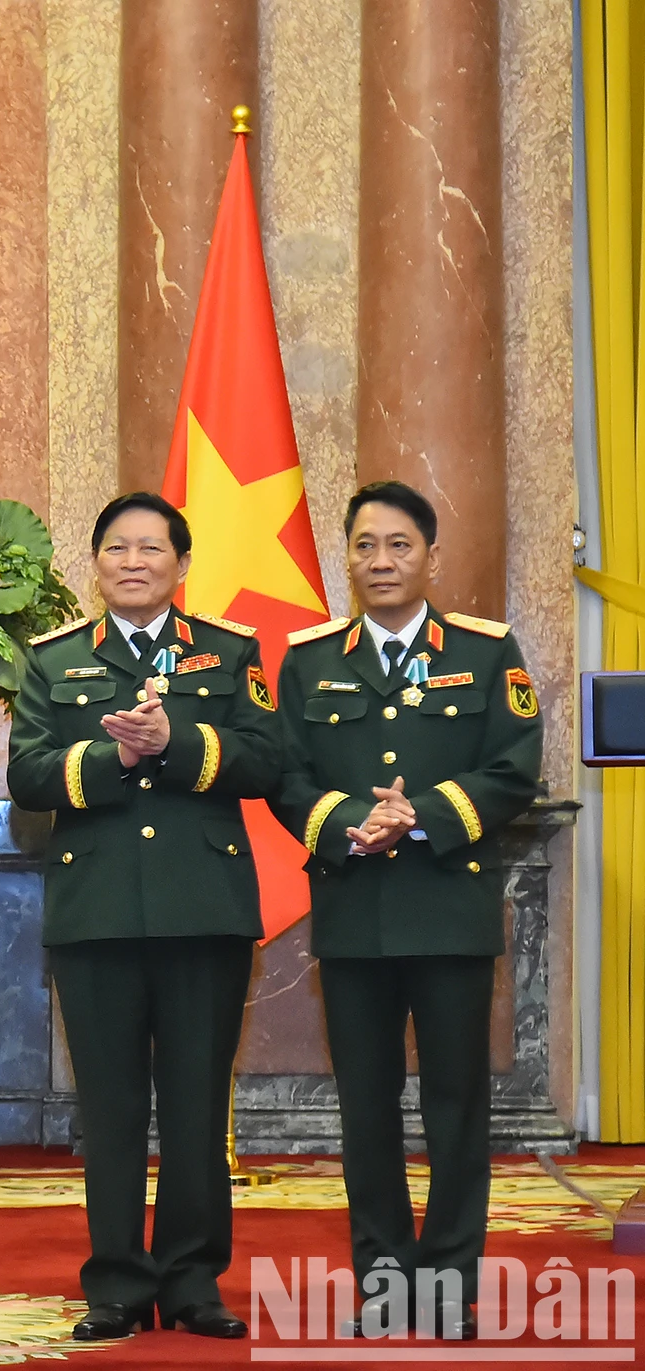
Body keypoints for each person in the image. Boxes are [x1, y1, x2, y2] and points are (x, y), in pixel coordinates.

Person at [6, 491, 282, 1343]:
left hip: (204, 910)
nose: (133, 560)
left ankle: (195, 1280)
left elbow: (269, 758)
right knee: (113, 1108)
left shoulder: (232, 654)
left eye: (151, 548)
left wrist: (181, 746)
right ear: (96, 564)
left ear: (182, 564)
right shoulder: (53, 661)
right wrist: (113, 754)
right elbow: (27, 773)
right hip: (98, 915)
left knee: (198, 1104)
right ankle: (117, 1284)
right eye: (117, 547)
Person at [270, 481, 540, 1340]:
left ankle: (452, 1281)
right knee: (368, 1105)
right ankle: (385, 1281)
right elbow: (286, 776)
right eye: (363, 546)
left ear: (431, 556)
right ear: (346, 558)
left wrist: (420, 813)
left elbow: (511, 769)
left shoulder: (488, 653)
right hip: (354, 912)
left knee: (458, 1101)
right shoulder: (310, 659)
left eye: (397, 545)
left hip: (449, 907)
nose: (379, 561)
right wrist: (353, 822)